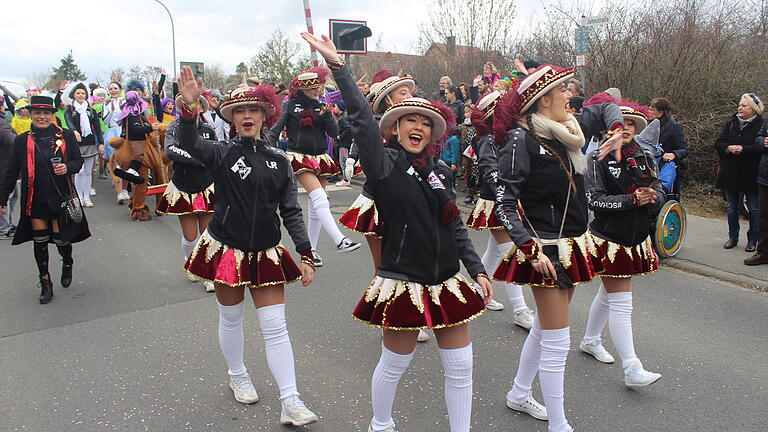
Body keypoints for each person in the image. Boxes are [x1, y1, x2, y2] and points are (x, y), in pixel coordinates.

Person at [303, 31, 493, 432]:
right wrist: (339, 68)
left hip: (446, 279)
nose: (418, 126)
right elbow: (361, 122)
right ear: (395, 127)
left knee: (461, 368)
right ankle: (381, 424)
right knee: (394, 364)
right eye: (411, 119)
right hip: (403, 280)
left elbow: (456, 226)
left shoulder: (441, 172)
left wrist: (476, 269)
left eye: (426, 121)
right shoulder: (384, 164)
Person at [176, 67, 319, 426]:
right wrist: (189, 112)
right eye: (239, 111)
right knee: (232, 316)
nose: (246, 116)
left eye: (253, 110)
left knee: (276, 327)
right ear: (232, 119)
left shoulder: (279, 160)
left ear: (265, 114)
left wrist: (305, 252)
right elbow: (191, 145)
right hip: (227, 249)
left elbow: (290, 210)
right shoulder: (220, 153)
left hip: (267, 252)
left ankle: (291, 399)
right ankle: (237, 373)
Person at [492, 65, 624, 432]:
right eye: (564, 91)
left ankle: (519, 393)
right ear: (543, 100)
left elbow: (607, 107)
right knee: (557, 341)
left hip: (571, 244)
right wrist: (529, 249)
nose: (571, 97)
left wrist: (616, 132)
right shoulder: (522, 140)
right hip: (545, 250)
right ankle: (559, 425)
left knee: (545, 330)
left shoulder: (567, 133)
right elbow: (505, 204)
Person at [580, 106, 665, 387]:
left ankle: (590, 340)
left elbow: (659, 188)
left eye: (631, 123)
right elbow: (594, 200)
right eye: (621, 123)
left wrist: (654, 196)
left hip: (637, 237)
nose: (625, 127)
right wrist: (630, 201)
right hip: (609, 238)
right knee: (621, 301)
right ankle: (631, 366)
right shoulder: (596, 157)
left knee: (609, 293)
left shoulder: (645, 154)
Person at [0, 95, 90, 304]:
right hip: (35, 199)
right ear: (31, 114)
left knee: (61, 241)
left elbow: (78, 162)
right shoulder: (22, 140)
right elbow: (11, 172)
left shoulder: (66, 136)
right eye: (37, 113)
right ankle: (45, 282)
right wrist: (2, 199)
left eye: (46, 113)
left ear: (52, 115)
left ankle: (67, 263)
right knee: (39, 242)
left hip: (60, 198)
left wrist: (67, 167)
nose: (42, 117)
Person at [268, 66, 360, 264]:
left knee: (314, 206)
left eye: (318, 88)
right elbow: (276, 130)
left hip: (320, 157)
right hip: (299, 156)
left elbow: (335, 132)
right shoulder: (290, 105)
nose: (317, 92)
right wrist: (268, 150)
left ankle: (311, 252)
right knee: (319, 196)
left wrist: (327, 115)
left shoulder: (322, 106)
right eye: (312, 89)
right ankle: (339, 239)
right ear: (301, 89)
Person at [465, 90, 534, 324]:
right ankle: (520, 310)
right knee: (510, 252)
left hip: (508, 199)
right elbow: (491, 172)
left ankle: (478, 289)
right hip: (498, 201)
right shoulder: (487, 139)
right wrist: (510, 197)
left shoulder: (507, 135)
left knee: (496, 250)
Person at [157, 94, 216, 292]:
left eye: (196, 104)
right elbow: (171, 150)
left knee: (207, 234)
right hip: (183, 187)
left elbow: (216, 153)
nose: (192, 107)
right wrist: (197, 159)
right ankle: (189, 260)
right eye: (187, 104)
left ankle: (208, 274)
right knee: (190, 237)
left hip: (206, 186)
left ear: (200, 107)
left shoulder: (208, 130)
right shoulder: (174, 128)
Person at [714, 93, 763, 252]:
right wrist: (728, 148)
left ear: (753, 109)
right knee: (731, 207)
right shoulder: (731, 123)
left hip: (752, 172)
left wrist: (744, 149)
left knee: (754, 208)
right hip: (731, 172)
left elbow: (762, 146)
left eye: (744, 106)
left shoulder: (762, 124)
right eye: (739, 105)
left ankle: (753, 240)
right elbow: (719, 143)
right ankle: (732, 237)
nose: (739, 108)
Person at [109, 91, 166, 221]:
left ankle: (135, 201)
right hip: (139, 152)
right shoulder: (133, 115)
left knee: (139, 181)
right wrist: (151, 127)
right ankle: (138, 209)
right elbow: (136, 132)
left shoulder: (132, 114)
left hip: (137, 149)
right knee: (142, 180)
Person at [64, 83, 105, 208]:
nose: (81, 95)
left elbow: (97, 128)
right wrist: (74, 131)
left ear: (86, 95)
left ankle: (86, 196)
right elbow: (69, 122)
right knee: (79, 171)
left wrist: (101, 143)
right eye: (78, 93)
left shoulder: (90, 111)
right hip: (76, 144)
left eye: (83, 93)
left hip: (90, 143)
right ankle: (79, 196)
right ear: (74, 95)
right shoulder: (70, 110)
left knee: (88, 171)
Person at [648, 97, 687, 192]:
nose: (648, 111)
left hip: (665, 168)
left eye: (651, 109)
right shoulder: (646, 125)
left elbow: (684, 150)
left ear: (660, 113)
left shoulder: (674, 127)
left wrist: (673, 154)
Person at [102, 81, 130, 205]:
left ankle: (124, 189)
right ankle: (119, 193)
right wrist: (112, 111)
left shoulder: (125, 102)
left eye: (115, 88)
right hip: (112, 132)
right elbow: (105, 121)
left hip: (124, 133)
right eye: (111, 88)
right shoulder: (107, 104)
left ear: (120, 89)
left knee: (126, 163)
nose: (113, 90)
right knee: (114, 163)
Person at [747, 116, 768, 265]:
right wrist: (763, 142)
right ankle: (763, 252)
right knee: (764, 216)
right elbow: (759, 138)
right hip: (765, 176)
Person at [0, 114, 17, 240]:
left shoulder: (3, 120)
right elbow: (8, 136)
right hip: (4, 168)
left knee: (15, 195)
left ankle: (8, 224)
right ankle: (3, 229)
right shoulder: (1, 123)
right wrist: (22, 142)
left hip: (9, 166)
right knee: (5, 197)